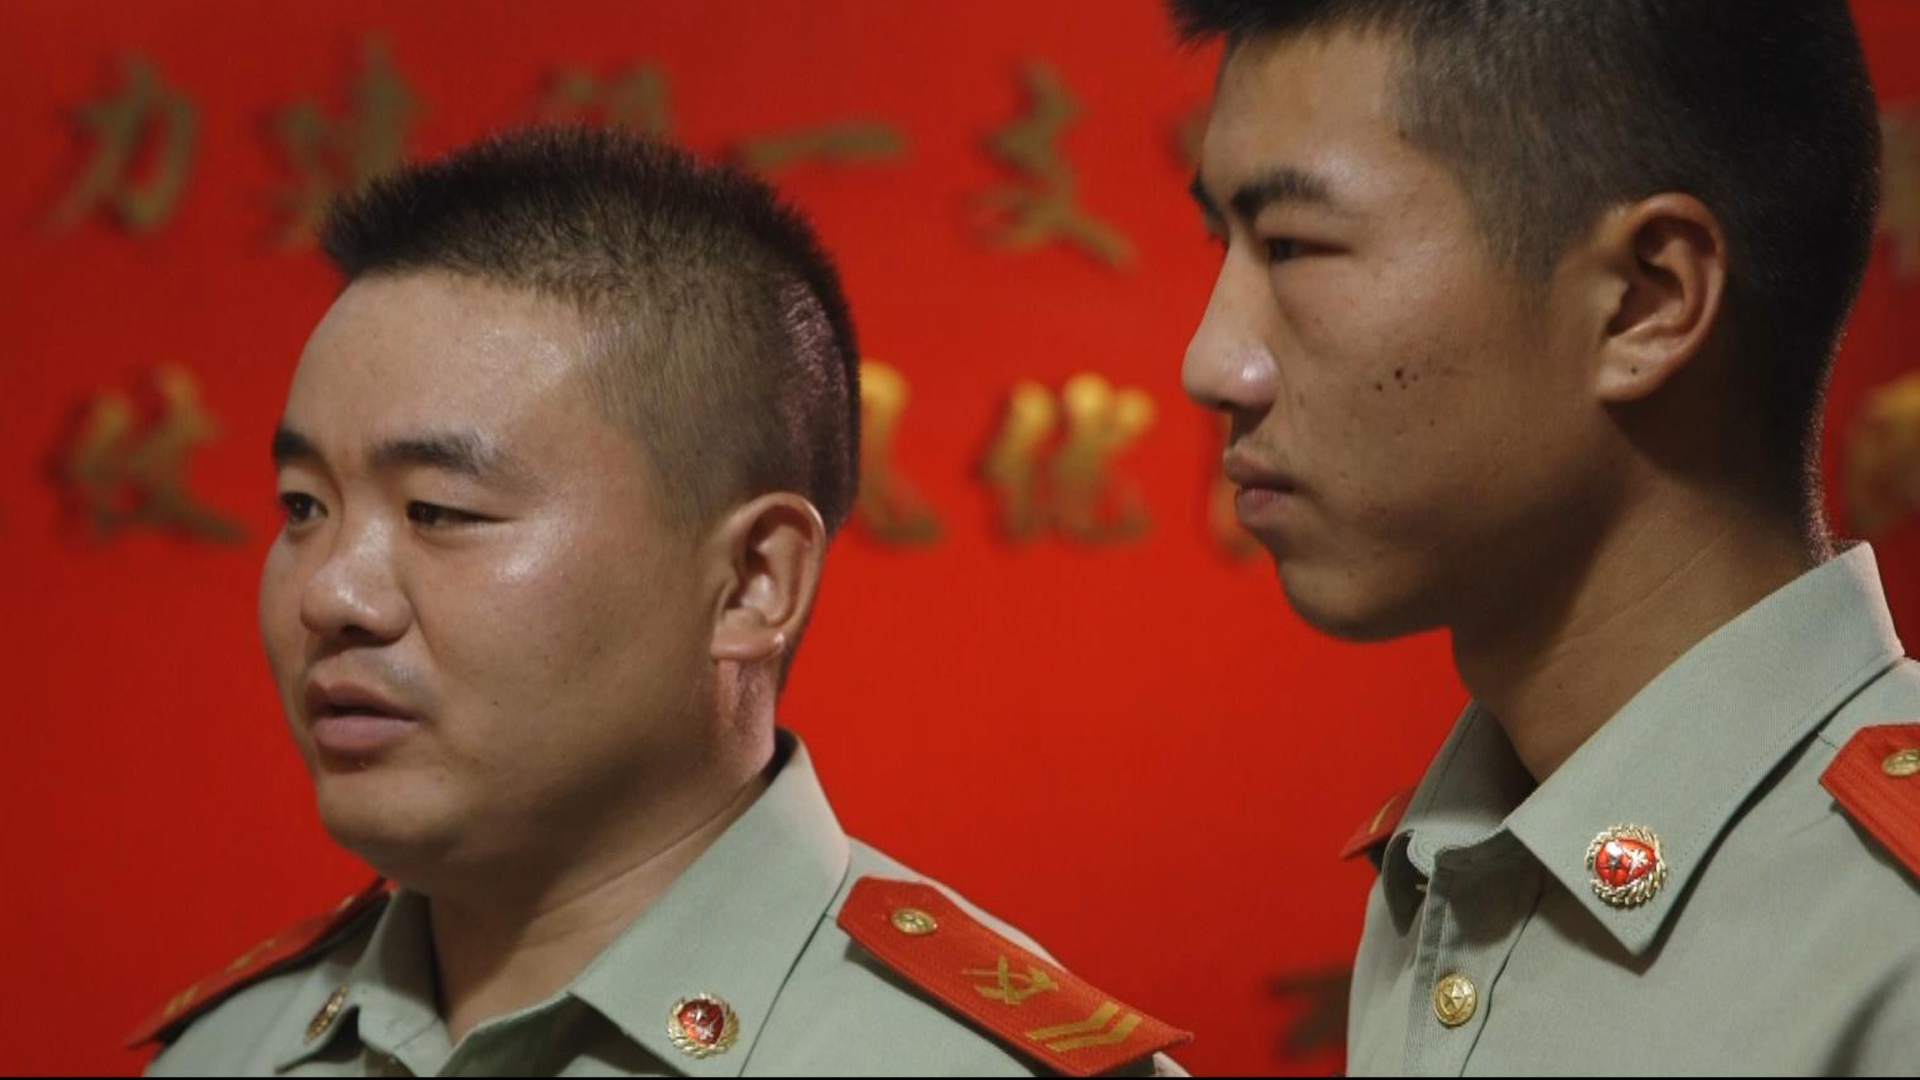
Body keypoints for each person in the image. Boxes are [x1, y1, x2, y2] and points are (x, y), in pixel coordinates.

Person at [131, 126, 1187, 1077]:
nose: (332, 592)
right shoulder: (230, 1054)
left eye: (439, 511)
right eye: (304, 505)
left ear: (753, 582)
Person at [1171, 1, 1918, 1074]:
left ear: (1645, 302)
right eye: (1224, 242)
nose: (1212, 362)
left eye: (1292, 245)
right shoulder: (1461, 854)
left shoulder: (1890, 944)